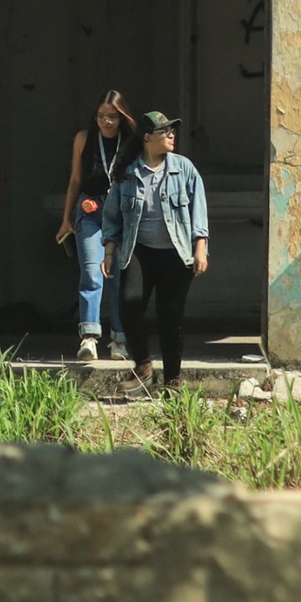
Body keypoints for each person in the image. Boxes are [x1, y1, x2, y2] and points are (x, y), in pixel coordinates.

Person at [103, 109, 211, 390]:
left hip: (176, 253)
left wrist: (201, 248)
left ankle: (173, 380)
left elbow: (199, 210)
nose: (172, 135)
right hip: (139, 251)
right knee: (129, 303)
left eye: (172, 131)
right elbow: (112, 215)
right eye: (166, 132)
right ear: (148, 138)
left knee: (170, 315)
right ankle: (143, 365)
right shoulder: (127, 172)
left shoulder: (183, 168)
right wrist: (109, 252)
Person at [55, 90, 139, 362]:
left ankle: (119, 339)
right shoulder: (84, 138)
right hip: (91, 209)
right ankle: (89, 338)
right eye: (101, 116)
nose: (106, 122)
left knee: (117, 276)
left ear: (122, 116)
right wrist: (67, 218)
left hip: (122, 213)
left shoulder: (132, 141)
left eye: (113, 117)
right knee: (92, 272)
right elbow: (75, 179)